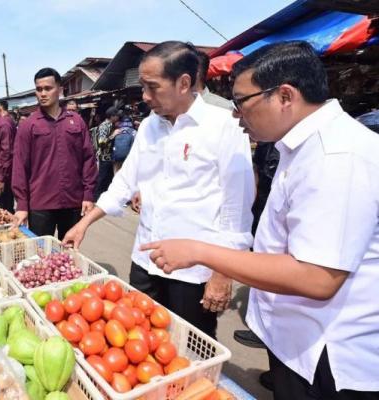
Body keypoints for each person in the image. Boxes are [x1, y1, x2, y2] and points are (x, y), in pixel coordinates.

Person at [141, 41, 379, 399]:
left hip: (328, 356)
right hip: (297, 341)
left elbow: (317, 277)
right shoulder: (302, 143)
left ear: (285, 96)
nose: (236, 114)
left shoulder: (337, 156)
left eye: (241, 102)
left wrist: (201, 252)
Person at [63, 41, 254, 338]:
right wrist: (85, 223)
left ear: (184, 83)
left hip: (193, 272)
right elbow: (125, 182)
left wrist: (223, 273)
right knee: (139, 338)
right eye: (143, 86)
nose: (145, 96)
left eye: (153, 87)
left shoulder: (224, 127)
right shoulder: (150, 126)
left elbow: (236, 210)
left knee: (189, 347)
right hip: (146, 261)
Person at [12, 68, 97, 239]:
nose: (42, 93)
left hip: (73, 201)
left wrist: (88, 194)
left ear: (60, 90)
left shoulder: (76, 121)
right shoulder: (29, 125)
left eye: (48, 88)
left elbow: (88, 159)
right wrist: (22, 205)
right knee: (41, 256)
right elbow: (20, 166)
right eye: (39, 89)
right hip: (41, 204)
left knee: (69, 253)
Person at [94, 106, 121, 200]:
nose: (118, 117)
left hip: (109, 157)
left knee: (108, 178)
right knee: (102, 178)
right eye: (117, 115)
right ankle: (96, 198)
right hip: (104, 156)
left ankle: (105, 197)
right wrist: (113, 135)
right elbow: (101, 142)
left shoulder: (110, 125)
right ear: (112, 116)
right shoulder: (104, 126)